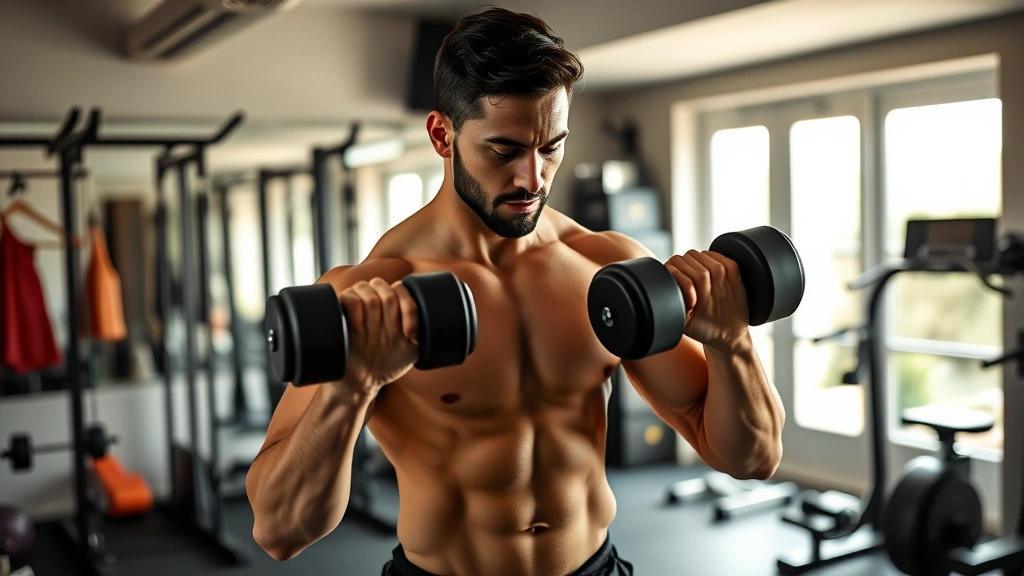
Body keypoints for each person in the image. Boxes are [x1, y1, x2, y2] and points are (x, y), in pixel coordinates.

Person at [246, 7, 785, 575]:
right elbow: (280, 531)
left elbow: (751, 457)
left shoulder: (605, 264)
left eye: (551, 147)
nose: (533, 179)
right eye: (504, 151)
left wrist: (732, 343)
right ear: (441, 135)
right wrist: (351, 389)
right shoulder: (372, 294)